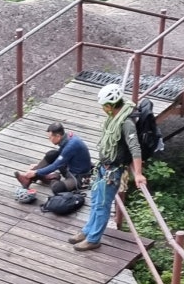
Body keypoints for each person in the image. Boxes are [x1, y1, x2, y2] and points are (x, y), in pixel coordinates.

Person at [70, 83, 146, 253]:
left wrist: (138, 174)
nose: (103, 109)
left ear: (111, 106)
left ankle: (94, 239)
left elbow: (135, 148)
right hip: (104, 167)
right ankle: (88, 230)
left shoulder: (126, 123)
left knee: (103, 205)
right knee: (96, 200)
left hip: (113, 169)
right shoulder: (114, 118)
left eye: (104, 106)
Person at [15, 122, 92, 192]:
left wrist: (36, 171)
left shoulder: (70, 146)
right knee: (51, 154)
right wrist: (39, 167)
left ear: (58, 136)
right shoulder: (67, 137)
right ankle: (28, 180)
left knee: (57, 188)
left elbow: (55, 165)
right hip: (70, 166)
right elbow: (60, 157)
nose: (49, 139)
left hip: (78, 176)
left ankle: (52, 178)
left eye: (50, 137)